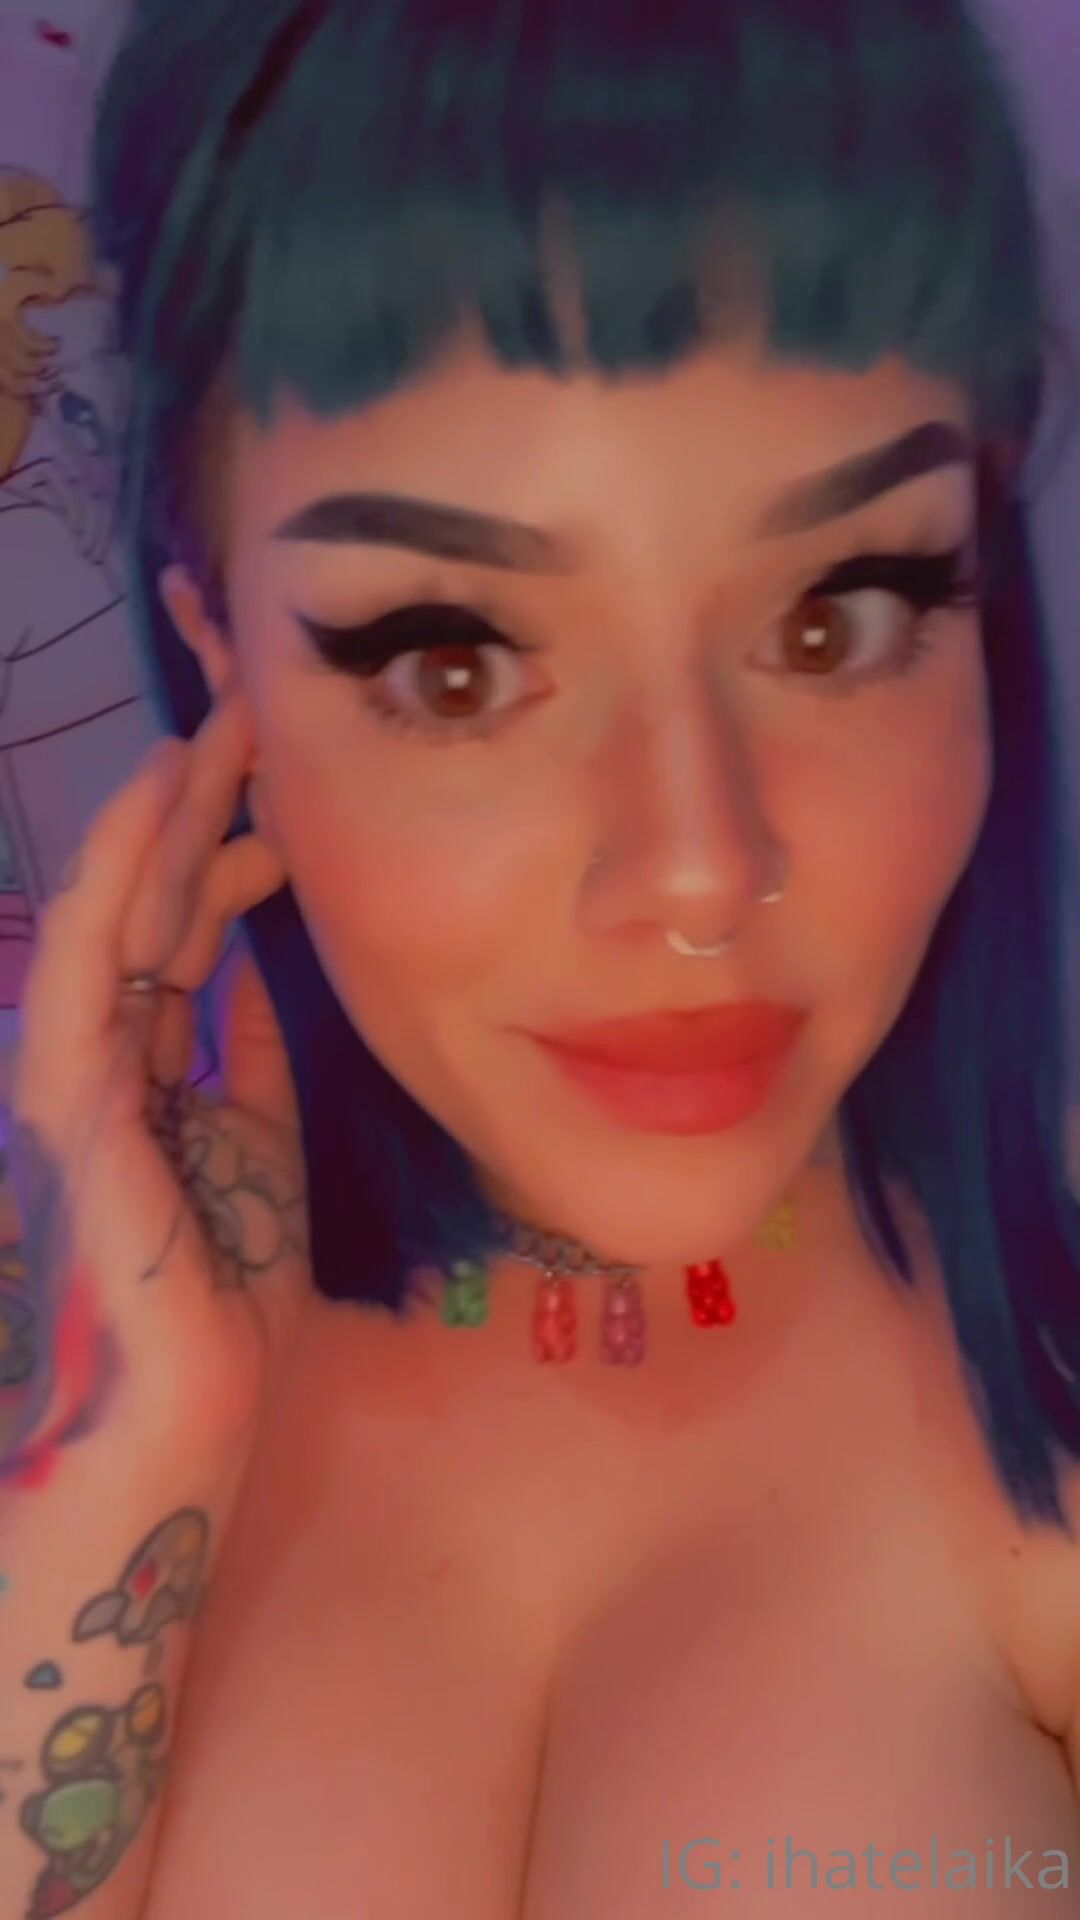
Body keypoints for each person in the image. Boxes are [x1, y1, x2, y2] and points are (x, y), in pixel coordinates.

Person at [2, 0, 1078, 1913]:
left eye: (836, 619)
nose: (697, 872)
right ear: (224, 652)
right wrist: (117, 1443)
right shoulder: (84, 1344)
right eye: (455, 663)